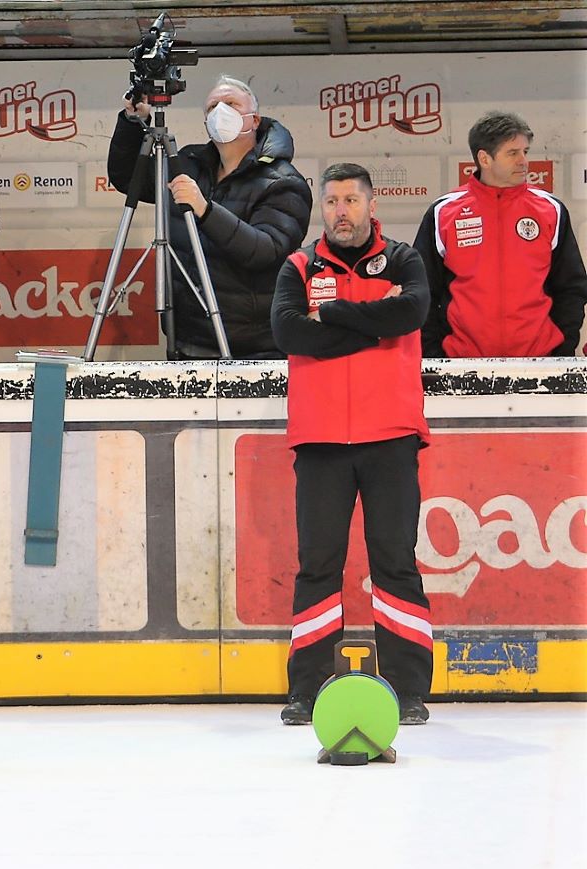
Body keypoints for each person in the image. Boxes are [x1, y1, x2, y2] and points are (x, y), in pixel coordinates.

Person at [270, 163, 434, 727]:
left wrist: (334, 313)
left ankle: (409, 691)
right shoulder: (297, 265)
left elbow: (411, 311)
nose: (341, 210)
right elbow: (290, 332)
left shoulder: (406, 259)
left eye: (350, 200)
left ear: (370, 204)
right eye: (332, 201)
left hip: (390, 436)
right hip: (319, 442)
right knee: (318, 567)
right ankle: (306, 690)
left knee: (395, 564)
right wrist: (374, 325)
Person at [107, 75, 312, 359]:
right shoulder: (188, 165)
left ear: (254, 120)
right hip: (188, 341)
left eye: (230, 104)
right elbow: (129, 178)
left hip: (255, 347)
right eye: (212, 107)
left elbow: (267, 251)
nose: (220, 112)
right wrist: (132, 122)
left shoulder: (283, 182)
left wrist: (206, 210)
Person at [414, 111, 586, 358]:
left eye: (525, 152)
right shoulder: (444, 212)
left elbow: (572, 287)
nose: (523, 161)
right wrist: (435, 352)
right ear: (484, 158)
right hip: (460, 362)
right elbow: (422, 289)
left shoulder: (551, 209)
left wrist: (561, 348)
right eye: (512, 153)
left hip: (540, 362)